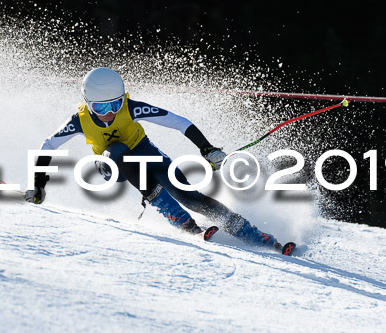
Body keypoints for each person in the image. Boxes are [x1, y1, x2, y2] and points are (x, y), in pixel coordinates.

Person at [25, 67, 292, 253]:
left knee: (190, 196)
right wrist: (39, 183)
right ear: (88, 103)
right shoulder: (79, 121)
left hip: (146, 152)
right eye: (101, 108)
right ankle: (185, 224)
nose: (109, 113)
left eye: (115, 105)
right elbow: (48, 145)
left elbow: (178, 121)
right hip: (111, 164)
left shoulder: (131, 108)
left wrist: (206, 149)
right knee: (119, 150)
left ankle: (257, 237)